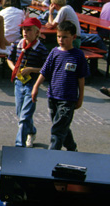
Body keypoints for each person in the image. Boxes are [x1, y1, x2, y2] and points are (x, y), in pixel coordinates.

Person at [31, 21, 89, 151]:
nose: (61, 40)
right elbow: (44, 71)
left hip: (68, 99)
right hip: (53, 96)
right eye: (58, 36)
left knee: (57, 130)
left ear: (73, 37)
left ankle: (52, 155)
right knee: (62, 125)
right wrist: (35, 87)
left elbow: (81, 79)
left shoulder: (78, 55)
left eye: (64, 37)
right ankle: (72, 149)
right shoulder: (54, 52)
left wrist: (80, 98)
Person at [7, 17, 49, 148]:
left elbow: (47, 68)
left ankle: (19, 145)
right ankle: (31, 131)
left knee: (25, 116)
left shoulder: (41, 49)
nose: (25, 32)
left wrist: (32, 69)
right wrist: (14, 68)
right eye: (24, 29)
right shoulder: (17, 44)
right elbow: (9, 59)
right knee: (20, 113)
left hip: (32, 84)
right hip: (19, 82)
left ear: (37, 32)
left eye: (29, 30)